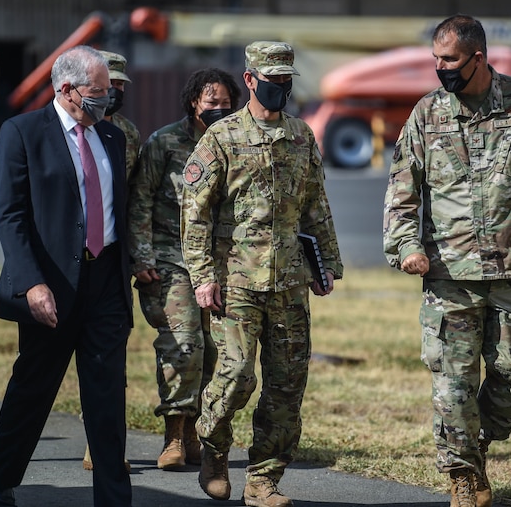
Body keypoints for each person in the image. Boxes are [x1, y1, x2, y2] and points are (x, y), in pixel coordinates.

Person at [382, 15, 511, 507]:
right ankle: (463, 472)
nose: (439, 68)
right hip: (449, 275)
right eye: (435, 59)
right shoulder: (426, 115)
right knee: (453, 382)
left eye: (448, 60)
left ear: (478, 58)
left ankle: (473, 438)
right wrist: (406, 247)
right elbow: (402, 192)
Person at [180, 41, 343, 507]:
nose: (280, 90)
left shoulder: (301, 136)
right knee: (235, 377)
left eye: (286, 82)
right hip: (236, 282)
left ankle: (263, 479)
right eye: (271, 82)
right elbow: (196, 213)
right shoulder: (221, 137)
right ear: (250, 80)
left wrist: (325, 264)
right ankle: (213, 446)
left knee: (287, 383)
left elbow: (315, 207)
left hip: (289, 282)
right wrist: (202, 276)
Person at [0, 45, 133, 507]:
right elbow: (11, 216)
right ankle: (0, 481)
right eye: (98, 93)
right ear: (67, 90)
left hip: (105, 281)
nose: (106, 102)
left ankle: (113, 499)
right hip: (50, 286)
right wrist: (30, 283)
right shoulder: (23, 133)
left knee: (106, 400)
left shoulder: (112, 138)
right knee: (33, 389)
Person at [127, 67, 242, 471]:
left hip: (217, 265)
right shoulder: (165, 142)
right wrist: (141, 257)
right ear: (194, 102)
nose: (219, 110)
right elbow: (140, 200)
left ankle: (195, 434)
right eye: (212, 103)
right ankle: (173, 435)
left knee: (214, 352)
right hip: (170, 259)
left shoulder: (235, 141)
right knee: (184, 344)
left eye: (226, 104)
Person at [80, 49, 142, 473]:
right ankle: (93, 439)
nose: (115, 92)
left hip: (113, 257)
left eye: (120, 85)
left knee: (110, 357)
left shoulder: (128, 134)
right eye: (108, 84)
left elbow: (135, 201)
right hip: (74, 258)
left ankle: (107, 444)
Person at [100, 50, 142, 181]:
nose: (114, 89)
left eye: (119, 84)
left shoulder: (128, 131)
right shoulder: (78, 127)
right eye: (109, 82)